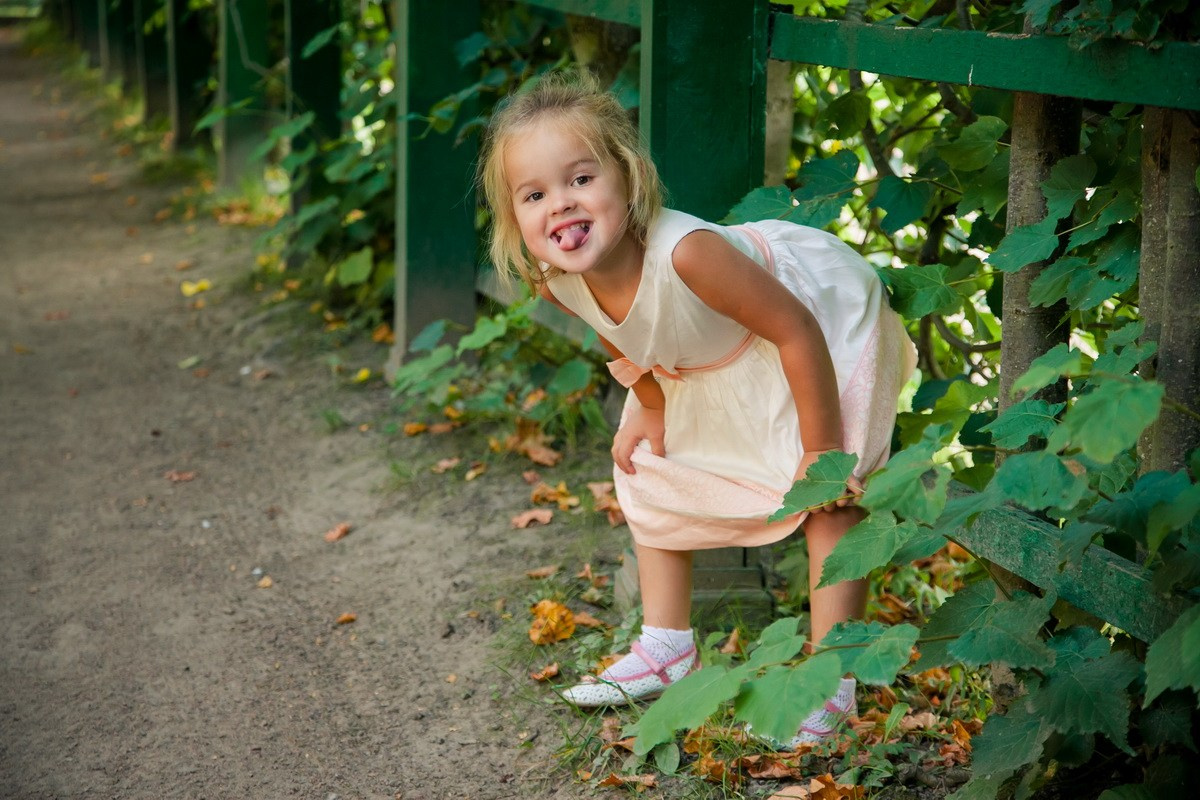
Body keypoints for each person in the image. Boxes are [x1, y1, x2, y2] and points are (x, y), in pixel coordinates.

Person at [478, 74, 915, 748]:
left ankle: (834, 680)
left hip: (810, 323)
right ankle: (667, 646)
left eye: (581, 179)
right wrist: (649, 405)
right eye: (535, 195)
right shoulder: (559, 278)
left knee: (832, 497)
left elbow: (796, 330)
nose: (560, 204)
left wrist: (821, 452)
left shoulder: (689, 254)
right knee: (648, 462)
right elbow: (617, 334)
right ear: (515, 219)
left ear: (626, 177)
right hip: (704, 353)